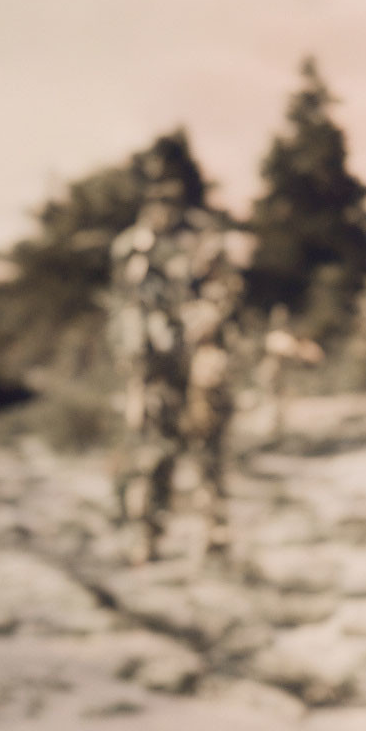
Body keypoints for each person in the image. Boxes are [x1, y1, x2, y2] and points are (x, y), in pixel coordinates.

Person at [109, 134, 243, 560]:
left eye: (168, 185)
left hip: (199, 355)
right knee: (152, 447)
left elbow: (224, 295)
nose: (161, 195)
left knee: (207, 445)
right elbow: (121, 304)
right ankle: (146, 533)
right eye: (153, 187)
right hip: (150, 362)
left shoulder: (205, 238)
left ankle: (213, 533)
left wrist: (206, 323)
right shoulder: (130, 245)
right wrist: (131, 359)